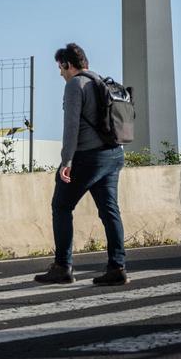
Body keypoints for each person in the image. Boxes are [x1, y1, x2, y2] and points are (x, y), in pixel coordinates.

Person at [35, 43, 128, 286]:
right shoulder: (102, 81)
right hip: (114, 155)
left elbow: (71, 127)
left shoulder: (75, 85)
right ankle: (117, 267)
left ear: (67, 65)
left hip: (89, 158)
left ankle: (62, 266)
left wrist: (66, 161)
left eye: (60, 68)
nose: (60, 73)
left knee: (61, 206)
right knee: (110, 211)